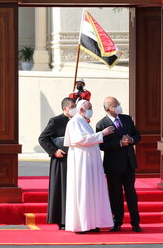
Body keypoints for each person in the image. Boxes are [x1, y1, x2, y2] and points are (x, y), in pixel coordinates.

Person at [63, 100, 115, 233]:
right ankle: (83, 224)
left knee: (92, 190)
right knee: (83, 190)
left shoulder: (83, 122)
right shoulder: (74, 122)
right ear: (81, 110)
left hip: (90, 162)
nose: (91, 110)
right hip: (82, 162)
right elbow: (82, 140)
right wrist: (102, 134)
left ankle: (93, 222)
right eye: (89, 108)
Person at [96, 97, 142, 232]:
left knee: (131, 194)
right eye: (114, 105)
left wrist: (131, 139)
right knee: (115, 195)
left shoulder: (127, 119)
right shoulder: (101, 124)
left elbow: (137, 135)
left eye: (118, 104)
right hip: (113, 166)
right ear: (107, 109)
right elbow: (102, 146)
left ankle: (135, 222)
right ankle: (117, 221)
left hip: (129, 163)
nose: (118, 107)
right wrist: (120, 143)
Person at [38, 97, 76, 230]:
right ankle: (62, 220)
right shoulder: (56, 121)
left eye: (75, 106)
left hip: (75, 159)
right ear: (65, 108)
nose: (74, 108)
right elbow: (43, 138)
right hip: (61, 159)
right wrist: (54, 151)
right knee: (62, 189)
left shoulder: (78, 120)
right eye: (72, 106)